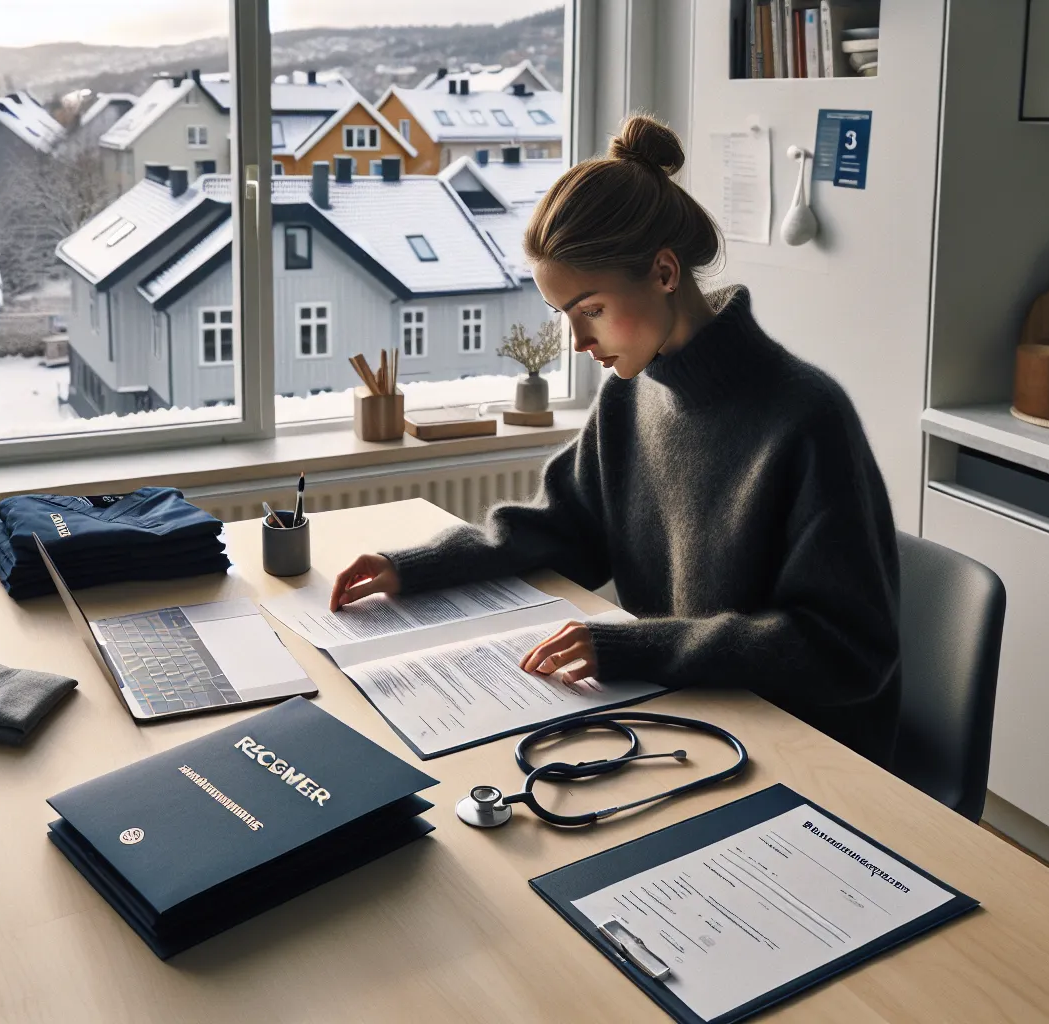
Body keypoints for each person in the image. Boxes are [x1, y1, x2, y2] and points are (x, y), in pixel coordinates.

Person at [329, 114, 902, 766]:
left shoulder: (805, 418)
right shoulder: (632, 394)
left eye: (591, 310)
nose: (578, 343)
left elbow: (847, 650)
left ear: (663, 273)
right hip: (689, 717)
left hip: (807, 751)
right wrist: (416, 567)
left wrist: (641, 647)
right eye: (564, 317)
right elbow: (562, 531)